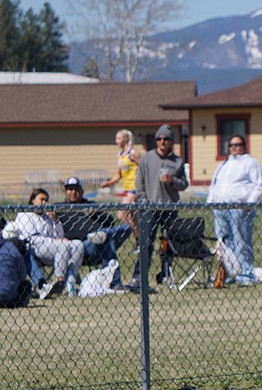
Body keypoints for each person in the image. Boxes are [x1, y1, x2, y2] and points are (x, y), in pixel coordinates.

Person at [127, 124, 188, 292]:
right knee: (146, 243)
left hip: (170, 208)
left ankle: (165, 274)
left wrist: (172, 180)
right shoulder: (147, 158)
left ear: (171, 141)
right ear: (156, 141)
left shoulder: (177, 161)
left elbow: (184, 184)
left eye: (166, 139)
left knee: (167, 243)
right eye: (159, 139)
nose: (162, 142)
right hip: (150, 208)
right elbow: (140, 183)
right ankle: (139, 276)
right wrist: (144, 201)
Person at [206, 135, 262, 285]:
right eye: (231, 145)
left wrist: (248, 204)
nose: (234, 148)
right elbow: (215, 184)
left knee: (241, 242)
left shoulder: (250, 162)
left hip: (239, 208)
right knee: (224, 243)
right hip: (220, 208)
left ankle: (246, 274)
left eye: (237, 144)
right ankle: (230, 272)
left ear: (244, 146)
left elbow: (258, 185)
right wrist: (211, 201)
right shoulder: (223, 164)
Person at [58, 176, 133, 290]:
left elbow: (111, 222)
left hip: (102, 242)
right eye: (70, 189)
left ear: (82, 191)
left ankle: (102, 234)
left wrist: (96, 213)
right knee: (106, 239)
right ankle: (115, 282)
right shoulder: (60, 208)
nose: (73, 192)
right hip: (83, 247)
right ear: (65, 191)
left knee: (126, 228)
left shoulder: (90, 204)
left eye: (76, 189)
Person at [13, 188, 85, 298]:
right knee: (63, 246)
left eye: (46, 200)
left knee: (78, 245)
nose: (44, 203)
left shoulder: (47, 217)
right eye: (41, 199)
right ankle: (60, 281)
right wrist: (55, 241)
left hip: (53, 248)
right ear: (32, 200)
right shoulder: (25, 215)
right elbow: (31, 238)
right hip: (34, 248)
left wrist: (56, 221)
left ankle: (70, 278)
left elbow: (60, 236)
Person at [100, 128, 142, 239]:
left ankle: (139, 238)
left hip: (134, 188)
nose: (116, 141)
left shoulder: (133, 153)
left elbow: (144, 167)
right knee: (132, 217)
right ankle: (141, 240)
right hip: (126, 189)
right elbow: (119, 175)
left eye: (118, 138)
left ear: (125, 139)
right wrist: (109, 183)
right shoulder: (120, 155)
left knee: (121, 214)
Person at [0, 218, 33, 308]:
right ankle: (20, 303)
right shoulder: (10, 247)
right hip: (10, 299)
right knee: (26, 285)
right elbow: (22, 274)